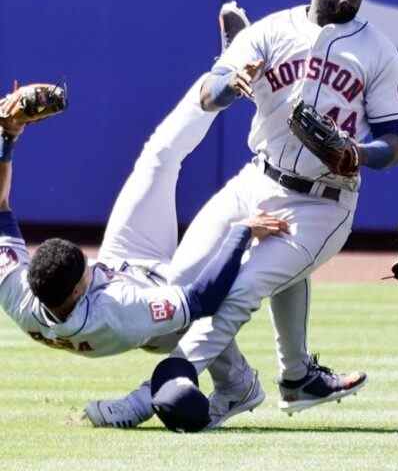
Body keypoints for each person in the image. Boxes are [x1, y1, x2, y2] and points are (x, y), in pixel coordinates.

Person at [96, 0, 398, 428]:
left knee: (240, 291)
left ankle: (146, 396)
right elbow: (208, 93)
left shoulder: (379, 50)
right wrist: (229, 82)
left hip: (324, 203)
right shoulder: (270, 32)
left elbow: (394, 143)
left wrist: (358, 153)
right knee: (179, 289)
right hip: (256, 181)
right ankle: (247, 383)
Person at [0, 71, 289, 426]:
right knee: (233, 262)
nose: (87, 260)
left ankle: (221, 83)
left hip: (126, 263)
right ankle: (235, 382)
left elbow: (0, 209)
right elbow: (203, 299)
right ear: (77, 288)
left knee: (158, 155)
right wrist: (242, 234)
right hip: (157, 318)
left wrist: (6, 137)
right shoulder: (116, 311)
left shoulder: (21, 295)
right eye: (84, 266)